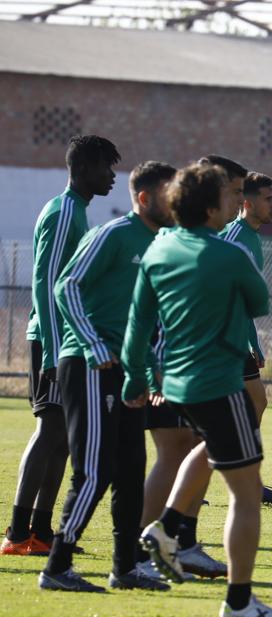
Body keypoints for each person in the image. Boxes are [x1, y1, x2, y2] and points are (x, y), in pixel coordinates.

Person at [127, 162, 272, 617]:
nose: (234, 202)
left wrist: (134, 378)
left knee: (204, 452)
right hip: (219, 383)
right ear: (209, 204)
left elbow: (139, 322)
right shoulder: (229, 255)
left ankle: (170, 527)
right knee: (244, 491)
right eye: (228, 195)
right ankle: (239, 601)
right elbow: (258, 302)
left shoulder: (159, 247)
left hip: (175, 384)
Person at [36, 161, 172, 593]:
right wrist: (92, 342)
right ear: (145, 198)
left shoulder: (160, 245)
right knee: (94, 471)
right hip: (91, 365)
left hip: (127, 372)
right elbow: (66, 286)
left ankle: (124, 568)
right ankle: (56, 568)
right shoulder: (113, 234)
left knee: (133, 470)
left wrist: (154, 368)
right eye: (171, 195)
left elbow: (148, 318)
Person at [133, 155, 248, 581]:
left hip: (190, 366)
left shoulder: (208, 240)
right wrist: (146, 371)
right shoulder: (174, 240)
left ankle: (179, 542)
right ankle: (143, 548)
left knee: (196, 449)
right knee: (175, 451)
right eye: (235, 192)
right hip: (174, 367)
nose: (240, 201)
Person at [3, 135, 118, 556]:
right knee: (48, 431)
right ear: (85, 168)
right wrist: (53, 351)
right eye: (107, 167)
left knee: (64, 439)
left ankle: (41, 531)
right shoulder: (64, 211)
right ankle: (17, 532)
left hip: (63, 341)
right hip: (50, 341)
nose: (112, 175)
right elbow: (45, 285)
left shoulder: (79, 211)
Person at [221, 172, 272, 506]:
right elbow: (231, 293)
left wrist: (254, 342)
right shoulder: (235, 236)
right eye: (268, 198)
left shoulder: (251, 236)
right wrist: (249, 342)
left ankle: (249, 479)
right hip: (223, 337)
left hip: (238, 336)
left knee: (254, 403)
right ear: (247, 203)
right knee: (220, 412)